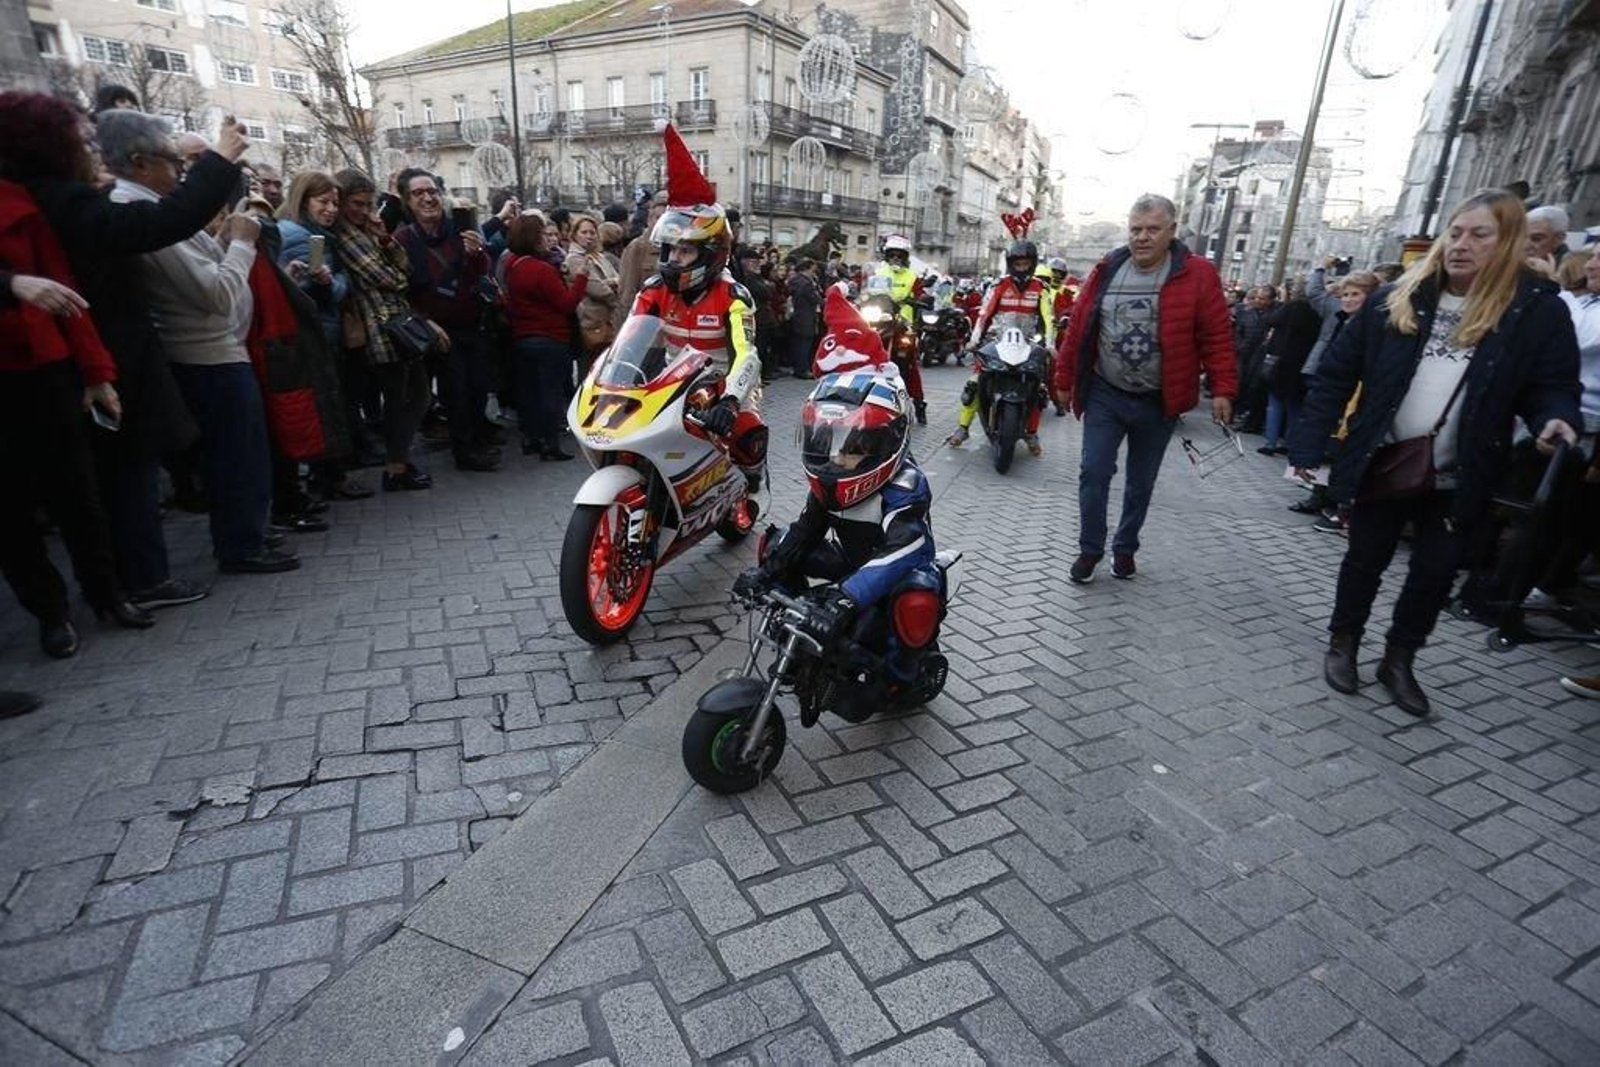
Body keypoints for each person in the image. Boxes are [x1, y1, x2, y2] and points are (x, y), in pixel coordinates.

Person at [1289, 189, 1580, 718]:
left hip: (1464, 470)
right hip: (1385, 458)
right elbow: (1335, 375)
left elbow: (1552, 385)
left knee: (1434, 572)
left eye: (1479, 234)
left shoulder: (1536, 310)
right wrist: (1311, 447)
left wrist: (1554, 417)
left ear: (1509, 241)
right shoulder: (1395, 297)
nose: (1460, 245)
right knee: (1364, 560)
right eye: (1456, 231)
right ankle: (1345, 642)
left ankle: (1399, 658)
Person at [6, 96, 242, 609]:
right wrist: (220, 161)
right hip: (97, 358)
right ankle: (139, 580)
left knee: (119, 473)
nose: (92, 151)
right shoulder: (61, 200)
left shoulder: (54, 197)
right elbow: (155, 226)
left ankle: (119, 584)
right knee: (126, 469)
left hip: (93, 355)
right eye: (82, 141)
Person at [106, 116, 296, 575]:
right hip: (206, 356)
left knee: (242, 454)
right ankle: (241, 544)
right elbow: (213, 294)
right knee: (235, 457)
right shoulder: (136, 210)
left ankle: (246, 532)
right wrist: (242, 245)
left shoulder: (154, 206)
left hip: (217, 351)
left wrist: (224, 239)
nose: (182, 175)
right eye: (176, 162)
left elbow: (200, 267)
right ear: (139, 163)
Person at [0, 181, 155, 657]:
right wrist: (9, 283)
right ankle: (50, 612)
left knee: (77, 492)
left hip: (44, 366)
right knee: (9, 511)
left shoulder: (18, 197)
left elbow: (63, 288)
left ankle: (107, 594)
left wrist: (96, 372)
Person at [1054, 193, 1238, 583]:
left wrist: (1223, 388)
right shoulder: (1107, 269)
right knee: (1093, 471)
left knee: (1141, 482)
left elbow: (1217, 336)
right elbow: (1079, 331)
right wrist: (1064, 380)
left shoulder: (1198, 274)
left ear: (1172, 231)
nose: (1142, 237)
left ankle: (1125, 549)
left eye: (1153, 229)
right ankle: (1090, 550)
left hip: (1159, 400)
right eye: (1136, 229)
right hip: (1106, 391)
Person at [732, 369, 938, 717]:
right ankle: (800, 633)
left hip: (899, 574)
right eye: (826, 441)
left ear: (888, 441)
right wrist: (767, 572)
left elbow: (905, 549)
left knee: (915, 595)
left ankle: (900, 678)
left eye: (853, 447)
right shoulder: (829, 483)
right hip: (853, 565)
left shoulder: (906, 485)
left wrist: (844, 598)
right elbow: (805, 529)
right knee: (777, 542)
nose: (837, 458)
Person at [629, 125, 765, 489]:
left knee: (749, 434)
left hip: (724, 387)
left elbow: (747, 356)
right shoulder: (655, 289)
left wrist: (732, 402)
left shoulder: (734, 295)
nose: (674, 259)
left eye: (685, 250)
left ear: (710, 253)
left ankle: (754, 482)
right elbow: (628, 342)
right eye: (670, 250)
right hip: (671, 386)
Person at [331, 168, 434, 492]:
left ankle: (398, 460)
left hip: (394, 320)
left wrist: (384, 238)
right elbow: (389, 278)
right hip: (380, 325)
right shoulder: (346, 236)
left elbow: (404, 267)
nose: (363, 211)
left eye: (367, 204)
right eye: (357, 204)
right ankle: (395, 466)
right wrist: (394, 271)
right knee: (398, 396)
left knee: (417, 394)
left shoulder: (367, 232)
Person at [393, 169, 498, 472]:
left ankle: (478, 441)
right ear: (407, 201)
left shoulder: (458, 230)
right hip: (437, 329)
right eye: (418, 193)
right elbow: (401, 290)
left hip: (471, 322)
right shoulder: (403, 239)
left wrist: (476, 253)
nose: (427, 198)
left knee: (478, 387)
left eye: (432, 191)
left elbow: (480, 273)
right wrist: (425, 322)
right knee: (455, 391)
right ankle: (464, 453)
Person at [276, 170, 372, 501]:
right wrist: (329, 283)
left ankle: (329, 475)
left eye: (334, 202)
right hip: (314, 336)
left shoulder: (313, 234)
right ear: (303, 200)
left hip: (320, 332)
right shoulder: (300, 237)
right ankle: (329, 477)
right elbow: (313, 292)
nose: (331, 209)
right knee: (327, 406)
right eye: (323, 202)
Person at [948, 235, 1056, 450]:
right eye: (1018, 263)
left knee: (1040, 388)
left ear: (1032, 264)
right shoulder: (999, 286)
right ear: (1011, 264)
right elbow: (984, 315)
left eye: (1026, 263)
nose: (1022, 267)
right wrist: (974, 340)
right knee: (974, 382)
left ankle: (1032, 433)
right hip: (997, 342)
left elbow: (1048, 319)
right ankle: (963, 428)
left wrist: (1050, 345)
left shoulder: (1041, 289)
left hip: (1028, 345)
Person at [505, 211, 587, 458]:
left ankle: (531, 439)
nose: (547, 239)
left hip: (522, 337)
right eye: (542, 234)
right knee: (550, 393)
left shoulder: (513, 266)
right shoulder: (541, 269)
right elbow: (566, 303)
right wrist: (581, 278)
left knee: (529, 393)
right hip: (550, 338)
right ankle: (551, 444)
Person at [1258, 279, 1322, 455]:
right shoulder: (1317, 311)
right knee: (1295, 406)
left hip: (1282, 362)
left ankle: (1270, 443)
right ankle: (1289, 442)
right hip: (1303, 363)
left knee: (1275, 403)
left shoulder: (1291, 307)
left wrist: (1284, 300)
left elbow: (1269, 319)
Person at [872, 234, 927, 424]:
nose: (896, 258)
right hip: (879, 321)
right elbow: (866, 289)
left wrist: (922, 298)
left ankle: (919, 403)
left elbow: (921, 294)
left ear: (905, 257)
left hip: (904, 324)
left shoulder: (912, 276)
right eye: (892, 255)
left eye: (899, 255)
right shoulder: (878, 271)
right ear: (886, 256)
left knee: (908, 363)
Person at [564, 212, 621, 369]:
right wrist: (614, 292)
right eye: (584, 232)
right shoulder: (574, 259)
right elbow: (597, 289)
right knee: (590, 368)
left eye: (592, 232)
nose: (589, 236)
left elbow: (618, 279)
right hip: (590, 322)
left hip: (608, 320)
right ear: (574, 235)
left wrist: (611, 282)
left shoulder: (599, 256)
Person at [618, 190, 668, 317]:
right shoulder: (638, 247)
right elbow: (627, 293)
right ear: (649, 219)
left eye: (667, 218)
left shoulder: (680, 249)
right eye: (658, 217)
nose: (663, 223)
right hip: (645, 321)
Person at [787, 257, 822, 379]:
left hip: (797, 315)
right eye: (813, 270)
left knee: (798, 344)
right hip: (807, 316)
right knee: (805, 344)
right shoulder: (806, 283)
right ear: (806, 269)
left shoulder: (794, 280)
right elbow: (815, 299)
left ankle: (798, 368)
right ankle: (803, 370)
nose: (814, 273)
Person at [1527, 204, 1570, 270]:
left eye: (1536, 239)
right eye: (1521, 238)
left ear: (1559, 239)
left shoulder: (1570, 270)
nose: (1525, 245)